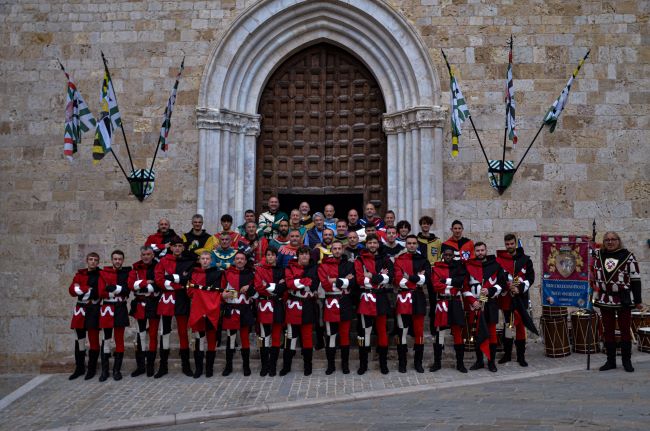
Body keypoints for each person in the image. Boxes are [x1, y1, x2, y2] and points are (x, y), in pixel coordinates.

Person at [592, 231, 643, 372]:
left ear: (618, 241)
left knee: (625, 330)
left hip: (623, 298)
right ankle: (611, 361)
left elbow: (635, 280)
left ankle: (627, 361)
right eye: (607, 239)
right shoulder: (598, 255)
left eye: (613, 239)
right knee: (608, 331)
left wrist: (638, 300)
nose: (610, 242)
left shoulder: (628, 256)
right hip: (605, 298)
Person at [153, 236, 195, 378]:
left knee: (183, 332)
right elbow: (159, 280)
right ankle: (163, 366)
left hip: (182, 300)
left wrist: (171, 278)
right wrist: (178, 283)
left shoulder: (188, 262)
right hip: (167, 300)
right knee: (164, 332)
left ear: (183, 248)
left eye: (179, 246)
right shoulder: (163, 261)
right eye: (175, 246)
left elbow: (188, 281)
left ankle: (186, 366)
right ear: (170, 247)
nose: (177, 248)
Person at [354, 234, 394, 375]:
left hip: (381, 298)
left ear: (378, 244)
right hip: (366, 298)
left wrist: (371, 275)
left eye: (374, 243)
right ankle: (363, 364)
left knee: (382, 331)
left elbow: (390, 278)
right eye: (370, 243)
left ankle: (383, 364)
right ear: (366, 244)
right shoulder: (360, 259)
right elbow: (360, 279)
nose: (372, 245)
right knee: (365, 332)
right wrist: (380, 276)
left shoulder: (385, 259)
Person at [466, 243, 508, 373]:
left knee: (492, 333)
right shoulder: (469, 266)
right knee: (477, 333)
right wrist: (473, 301)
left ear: (486, 250)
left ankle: (491, 362)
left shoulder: (495, 265)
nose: (480, 252)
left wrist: (490, 291)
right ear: (474, 252)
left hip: (490, 304)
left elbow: (502, 284)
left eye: (482, 250)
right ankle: (479, 361)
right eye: (478, 250)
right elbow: (465, 287)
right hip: (476, 305)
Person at [393, 235, 431, 373]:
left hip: (418, 298)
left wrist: (409, 277)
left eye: (414, 243)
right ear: (406, 244)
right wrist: (417, 278)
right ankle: (402, 363)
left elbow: (426, 279)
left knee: (419, 332)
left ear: (417, 245)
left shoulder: (423, 260)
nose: (412, 245)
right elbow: (398, 281)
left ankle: (418, 363)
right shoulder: (399, 260)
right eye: (409, 243)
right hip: (403, 298)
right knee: (402, 332)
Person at [496, 233, 535, 367]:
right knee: (508, 325)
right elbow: (498, 277)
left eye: (512, 243)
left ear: (515, 243)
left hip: (520, 297)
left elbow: (530, 278)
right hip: (507, 298)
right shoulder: (500, 260)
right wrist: (508, 286)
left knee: (520, 327)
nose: (509, 246)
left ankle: (521, 356)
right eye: (507, 244)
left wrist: (520, 288)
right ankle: (507, 354)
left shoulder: (526, 260)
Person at [318, 240, 356, 374]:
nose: (337, 251)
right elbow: (325, 285)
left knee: (345, 335)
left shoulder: (349, 265)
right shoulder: (324, 265)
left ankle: (345, 365)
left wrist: (334, 279)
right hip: (330, 304)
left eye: (339, 248)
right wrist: (344, 280)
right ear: (331, 250)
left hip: (345, 303)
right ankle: (331, 365)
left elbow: (352, 283)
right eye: (335, 248)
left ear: (343, 249)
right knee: (331, 336)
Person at [281, 246, 320, 376]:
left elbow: (314, 284)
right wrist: (305, 281)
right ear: (297, 256)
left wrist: (298, 281)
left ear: (310, 256)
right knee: (290, 337)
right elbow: (289, 284)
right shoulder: (289, 267)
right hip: (293, 306)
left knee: (307, 336)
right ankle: (286, 366)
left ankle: (308, 366)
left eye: (306, 254)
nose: (304, 256)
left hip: (308, 305)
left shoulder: (315, 268)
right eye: (302, 254)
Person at [430, 248, 468, 372]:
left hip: (455, 302)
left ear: (453, 256)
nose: (447, 256)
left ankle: (460, 364)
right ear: (442, 255)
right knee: (440, 333)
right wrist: (452, 285)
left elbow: (460, 283)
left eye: (450, 255)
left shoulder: (459, 268)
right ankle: (437, 363)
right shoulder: (436, 268)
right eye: (445, 255)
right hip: (442, 303)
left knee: (457, 333)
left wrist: (445, 281)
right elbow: (436, 286)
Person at [187, 251, 223, 378]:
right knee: (199, 339)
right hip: (198, 309)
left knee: (211, 339)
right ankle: (199, 369)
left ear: (211, 260)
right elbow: (190, 292)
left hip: (212, 310)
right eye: (203, 258)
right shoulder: (194, 273)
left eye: (207, 258)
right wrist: (205, 292)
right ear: (199, 260)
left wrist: (201, 291)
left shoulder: (218, 274)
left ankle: (209, 369)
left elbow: (218, 292)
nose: (205, 260)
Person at [98, 250, 131, 381]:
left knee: (119, 340)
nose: (117, 261)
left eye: (120, 259)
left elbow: (127, 290)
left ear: (123, 260)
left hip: (121, 308)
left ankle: (117, 370)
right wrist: (117, 291)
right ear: (112, 260)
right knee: (106, 339)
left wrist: (114, 288)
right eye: (115, 259)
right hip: (107, 308)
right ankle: (105, 371)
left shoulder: (127, 273)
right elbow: (101, 292)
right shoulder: (103, 273)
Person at [67, 252, 102, 380]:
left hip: (94, 309)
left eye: (95, 260)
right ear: (87, 261)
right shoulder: (80, 275)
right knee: (79, 340)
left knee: (93, 340)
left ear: (98, 262)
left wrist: (80, 289)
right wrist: (87, 289)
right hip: (80, 310)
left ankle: (91, 369)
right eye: (90, 259)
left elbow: (99, 292)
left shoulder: (101, 275)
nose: (93, 262)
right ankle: (79, 368)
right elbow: (72, 291)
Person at [221, 251, 256, 376]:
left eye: (242, 259)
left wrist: (249, 288)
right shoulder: (226, 273)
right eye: (237, 258)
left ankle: (246, 366)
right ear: (234, 261)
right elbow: (220, 290)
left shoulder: (251, 274)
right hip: (231, 309)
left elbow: (256, 293)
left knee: (245, 338)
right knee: (230, 339)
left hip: (245, 309)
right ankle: (228, 366)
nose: (240, 260)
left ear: (245, 261)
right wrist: (222, 295)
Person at [253, 247, 286, 376]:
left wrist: (267, 285)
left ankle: (273, 366)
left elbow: (283, 288)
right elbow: (258, 286)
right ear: (265, 256)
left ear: (276, 257)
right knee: (264, 336)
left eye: (272, 255)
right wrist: (276, 287)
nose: (270, 257)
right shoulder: (259, 270)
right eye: (268, 255)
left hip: (277, 305)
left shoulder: (281, 270)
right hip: (264, 305)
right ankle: (264, 366)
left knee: (276, 337)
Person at [127, 246, 160, 377]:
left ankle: (150, 365)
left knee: (153, 334)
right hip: (139, 304)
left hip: (153, 304)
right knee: (139, 335)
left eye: (148, 254)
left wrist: (139, 284)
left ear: (152, 255)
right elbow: (131, 285)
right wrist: (146, 282)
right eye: (144, 254)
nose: (146, 257)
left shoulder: (158, 267)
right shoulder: (135, 269)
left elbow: (159, 283)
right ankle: (140, 366)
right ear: (141, 256)